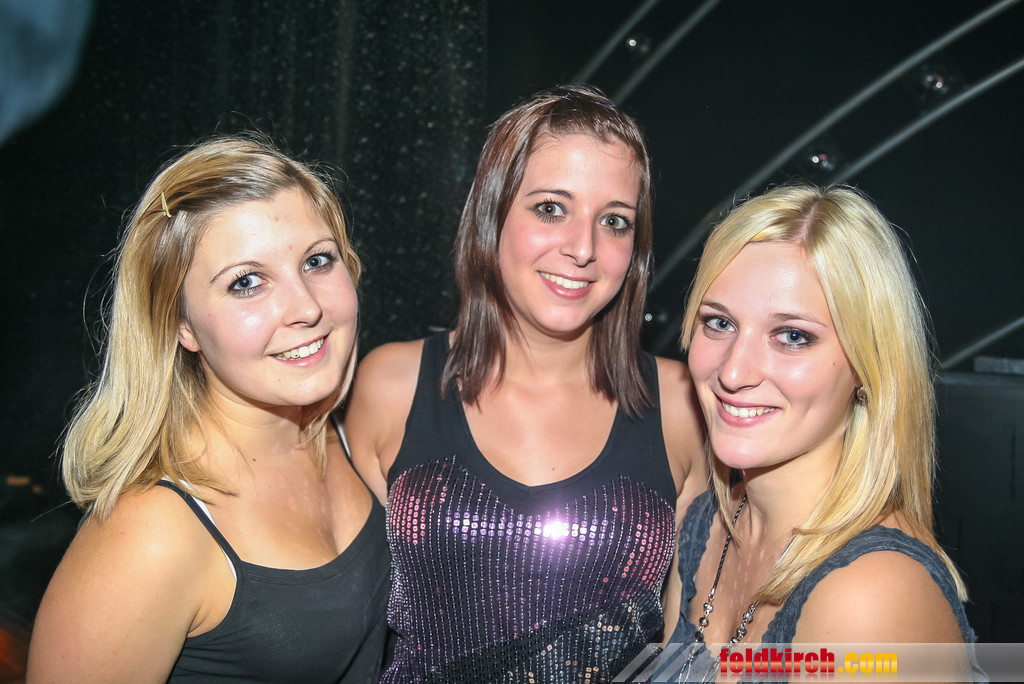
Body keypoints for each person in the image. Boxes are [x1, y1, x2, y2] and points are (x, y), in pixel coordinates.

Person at [343, 84, 706, 682]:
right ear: (492, 215)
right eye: (551, 209)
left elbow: (693, 645)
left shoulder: (685, 404)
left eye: (614, 221)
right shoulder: (390, 386)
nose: (583, 248)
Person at [27, 136, 390, 682]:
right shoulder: (151, 533)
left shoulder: (350, 432)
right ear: (182, 325)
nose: (307, 307)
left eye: (317, 261)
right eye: (247, 282)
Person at [653, 184, 977, 681]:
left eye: (792, 336)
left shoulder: (869, 597)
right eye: (719, 323)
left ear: (867, 364)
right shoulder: (706, 526)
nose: (734, 372)